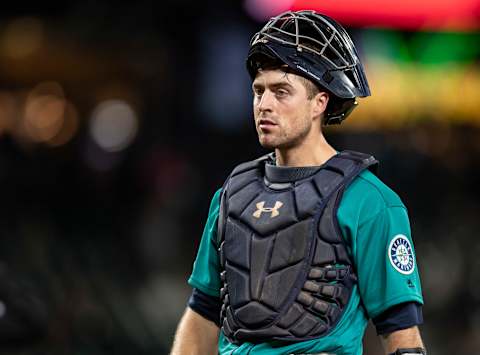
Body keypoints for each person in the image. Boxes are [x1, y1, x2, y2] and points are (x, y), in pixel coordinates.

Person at [171, 10, 426, 355]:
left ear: (320, 102)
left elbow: (401, 335)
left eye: (281, 92)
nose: (265, 105)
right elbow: (202, 312)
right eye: (258, 91)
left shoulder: (369, 200)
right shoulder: (231, 195)